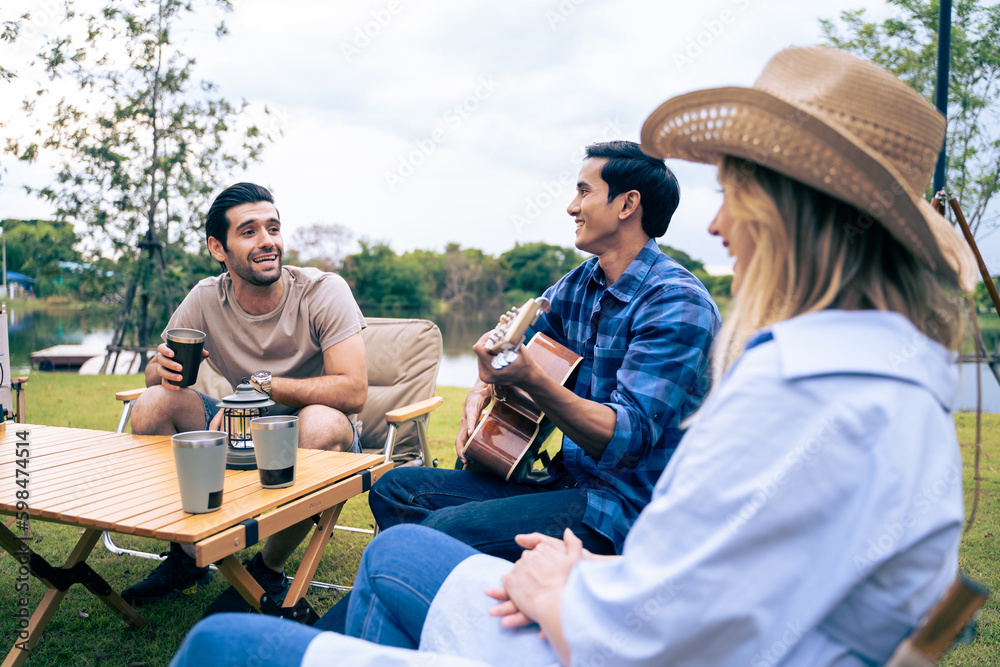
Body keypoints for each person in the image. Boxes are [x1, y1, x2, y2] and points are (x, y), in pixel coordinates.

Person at [168, 45, 978, 666]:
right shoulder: (899, 391)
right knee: (403, 504)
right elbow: (725, 591)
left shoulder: (776, 374)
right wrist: (493, 377)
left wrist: (569, 584)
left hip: (606, 543)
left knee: (232, 636)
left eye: (735, 194)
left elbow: (648, 601)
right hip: (597, 547)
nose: (718, 225)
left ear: (792, 211)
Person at [368, 139, 721, 562]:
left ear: (628, 205)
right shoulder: (580, 283)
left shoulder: (677, 303)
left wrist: (529, 379)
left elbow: (624, 439)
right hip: (564, 484)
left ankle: (450, 591)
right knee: (397, 489)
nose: (571, 207)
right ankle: (441, 596)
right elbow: (513, 338)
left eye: (584, 191)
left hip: (627, 509)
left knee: (445, 530)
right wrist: (485, 384)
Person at [122, 182, 368, 617]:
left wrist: (261, 385)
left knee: (318, 424)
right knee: (151, 403)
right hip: (236, 426)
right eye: (250, 231)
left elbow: (353, 390)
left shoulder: (323, 291)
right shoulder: (205, 297)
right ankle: (187, 553)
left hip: (312, 426)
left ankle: (266, 568)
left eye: (273, 228)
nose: (268, 241)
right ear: (219, 247)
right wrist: (161, 368)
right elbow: (155, 379)